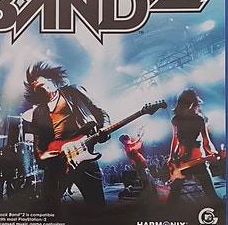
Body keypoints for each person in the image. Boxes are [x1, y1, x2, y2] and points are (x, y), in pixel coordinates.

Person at [23, 62, 110, 209]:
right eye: (35, 85)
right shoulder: (38, 111)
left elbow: (100, 112)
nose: (38, 83)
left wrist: (104, 129)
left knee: (96, 205)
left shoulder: (72, 92)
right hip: (57, 159)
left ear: (53, 80)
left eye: (42, 80)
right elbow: (38, 138)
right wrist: (41, 155)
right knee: (49, 206)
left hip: (82, 153)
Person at [166, 88, 223, 207]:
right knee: (210, 194)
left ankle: (165, 215)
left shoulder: (177, 119)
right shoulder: (196, 119)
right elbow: (205, 141)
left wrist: (171, 157)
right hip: (191, 160)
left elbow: (175, 140)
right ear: (193, 103)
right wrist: (213, 153)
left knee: (173, 196)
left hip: (185, 161)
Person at [118, 129, 157, 199]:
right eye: (128, 139)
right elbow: (135, 143)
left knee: (146, 180)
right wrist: (140, 136)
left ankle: (133, 190)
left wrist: (140, 136)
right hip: (139, 164)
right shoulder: (127, 147)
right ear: (124, 141)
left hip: (141, 163)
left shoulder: (129, 147)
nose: (129, 139)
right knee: (145, 181)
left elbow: (138, 145)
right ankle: (130, 192)